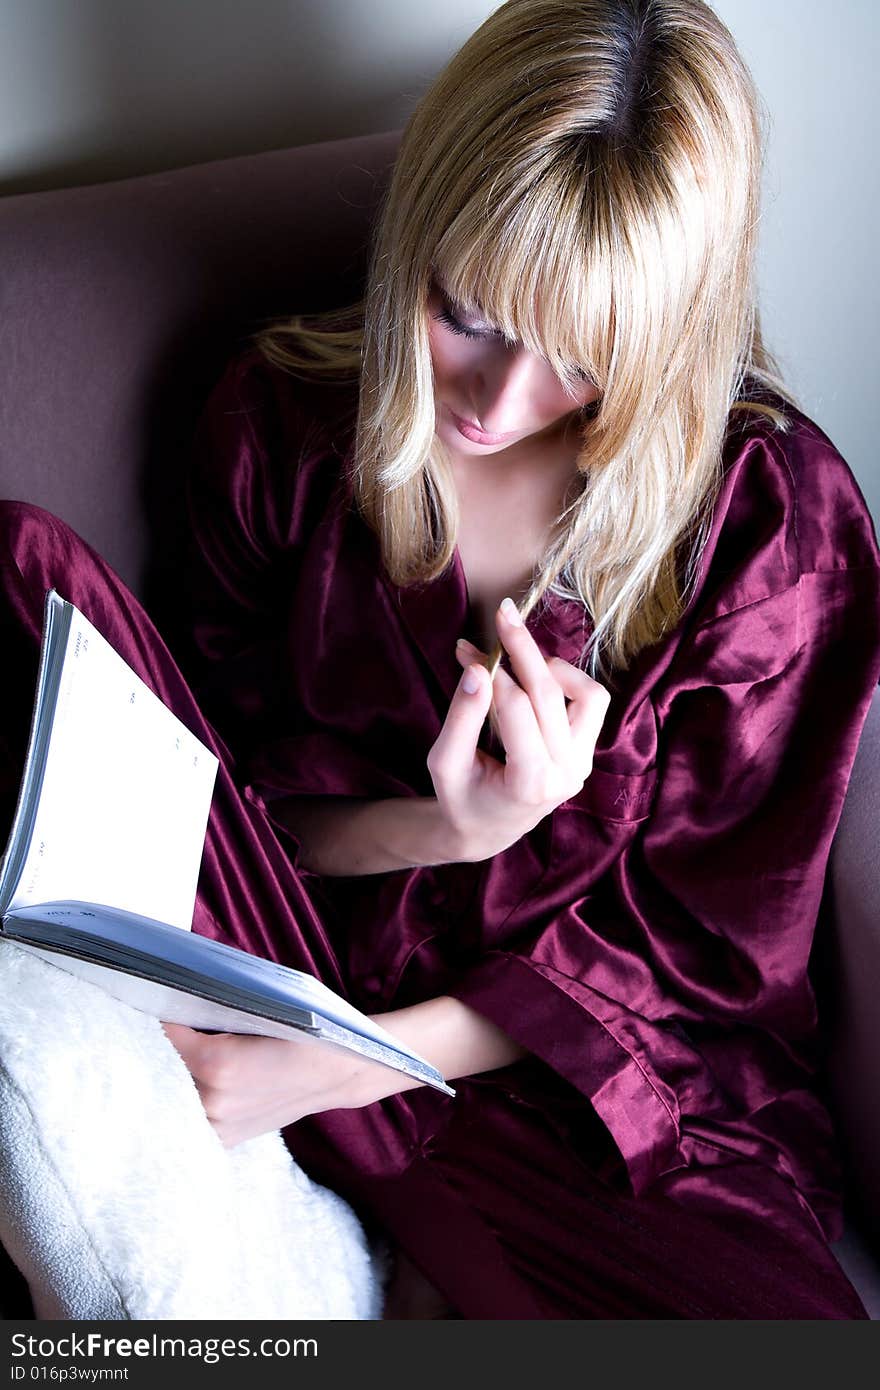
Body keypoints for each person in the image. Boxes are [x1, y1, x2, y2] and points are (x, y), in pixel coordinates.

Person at [2, 0, 879, 1318]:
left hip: (580, 1081)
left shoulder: (772, 524)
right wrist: (449, 826)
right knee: (18, 572)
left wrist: (351, 1069)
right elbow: (238, 823)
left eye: (581, 360)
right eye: (467, 313)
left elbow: (710, 964)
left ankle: (372, 1233)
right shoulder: (279, 432)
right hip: (299, 963)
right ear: (419, 232)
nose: (495, 402)